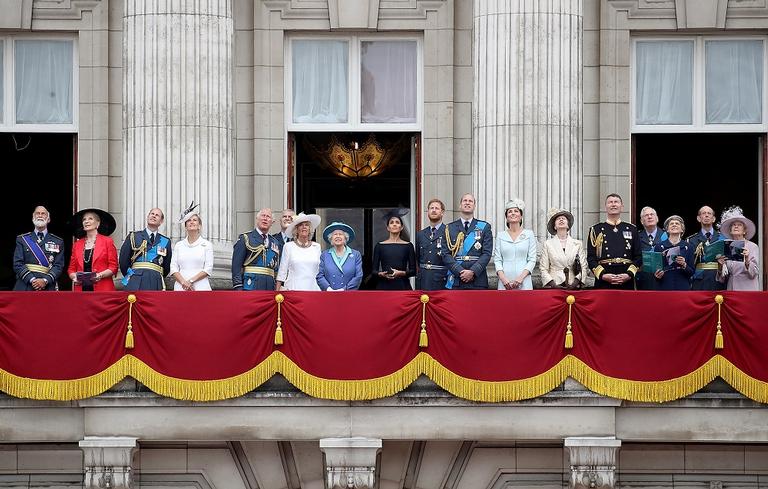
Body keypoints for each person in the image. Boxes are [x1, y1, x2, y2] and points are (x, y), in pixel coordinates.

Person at [587, 193, 642, 290]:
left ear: (622, 206)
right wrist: (602, 275)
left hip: (626, 277)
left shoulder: (632, 229)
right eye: (610, 202)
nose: (613, 204)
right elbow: (591, 258)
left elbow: (638, 257)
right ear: (605, 207)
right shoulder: (596, 230)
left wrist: (629, 274)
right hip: (604, 277)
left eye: (616, 202)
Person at [442, 193, 494, 289]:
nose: (467, 203)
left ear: (474, 206)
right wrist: (460, 271)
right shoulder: (449, 228)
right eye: (465, 201)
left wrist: (473, 271)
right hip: (456, 278)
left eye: (470, 201)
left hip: (478, 279)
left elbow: (487, 253)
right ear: (460, 205)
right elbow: (445, 254)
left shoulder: (484, 227)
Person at [13, 205, 65, 291]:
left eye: (43, 213)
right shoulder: (22, 239)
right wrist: (32, 280)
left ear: (48, 219)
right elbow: (17, 264)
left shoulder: (58, 241)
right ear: (33, 218)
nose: (40, 215)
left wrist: (45, 281)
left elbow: (58, 266)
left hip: (47, 286)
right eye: (37, 213)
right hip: (25, 285)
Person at [119, 208, 172, 291]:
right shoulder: (133, 236)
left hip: (156, 280)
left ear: (161, 221)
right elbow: (123, 260)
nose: (154, 216)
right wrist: (131, 275)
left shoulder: (166, 241)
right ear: (148, 217)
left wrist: (157, 274)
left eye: (157, 215)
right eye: (152, 214)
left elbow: (166, 265)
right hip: (135, 279)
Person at [67, 208, 118, 291]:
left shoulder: (107, 241)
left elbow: (113, 267)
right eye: (84, 219)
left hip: (103, 288)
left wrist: (99, 275)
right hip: (81, 289)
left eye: (90, 218)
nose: (86, 221)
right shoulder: (77, 245)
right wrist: (74, 277)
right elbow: (71, 269)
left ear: (98, 223)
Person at [232, 208, 282, 290]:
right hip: (250, 285)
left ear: (272, 222)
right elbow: (236, 267)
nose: (265, 218)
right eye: (263, 216)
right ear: (257, 219)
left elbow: (276, 270)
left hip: (269, 287)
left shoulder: (275, 242)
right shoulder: (245, 238)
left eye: (268, 217)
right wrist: (238, 287)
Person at [492, 199, 537, 290]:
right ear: (506, 217)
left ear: (521, 216)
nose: (513, 213)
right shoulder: (501, 235)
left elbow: (532, 259)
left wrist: (520, 278)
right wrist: (504, 279)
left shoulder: (529, 234)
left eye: (516, 211)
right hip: (505, 281)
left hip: (524, 280)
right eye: (510, 212)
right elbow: (497, 259)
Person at [539, 208, 588, 289]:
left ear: (568, 225)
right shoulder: (548, 244)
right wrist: (553, 284)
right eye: (558, 219)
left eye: (563, 218)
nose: (561, 219)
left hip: (573, 285)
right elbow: (543, 268)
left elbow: (584, 267)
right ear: (554, 226)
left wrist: (575, 283)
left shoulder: (577, 244)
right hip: (555, 284)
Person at [169, 203, 214, 291]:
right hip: (180, 286)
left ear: (199, 226)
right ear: (185, 226)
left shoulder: (207, 245)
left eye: (195, 220)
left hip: (201, 286)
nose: (192, 222)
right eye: (189, 220)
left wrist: (190, 281)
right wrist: (183, 282)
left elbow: (208, 268)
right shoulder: (179, 245)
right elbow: (173, 267)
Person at [716, 206, 760, 291]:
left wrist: (746, 260)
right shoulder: (727, 246)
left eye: (739, 225)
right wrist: (720, 266)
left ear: (744, 231)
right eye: (733, 225)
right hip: (731, 290)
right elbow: (722, 279)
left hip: (747, 290)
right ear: (730, 230)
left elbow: (754, 273)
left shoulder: (752, 246)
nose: (736, 226)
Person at [372, 208, 416, 290]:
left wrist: (401, 273)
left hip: (403, 286)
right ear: (388, 228)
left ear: (402, 227)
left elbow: (413, 271)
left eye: (397, 222)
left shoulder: (408, 246)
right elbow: (374, 271)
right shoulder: (379, 246)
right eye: (391, 223)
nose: (394, 224)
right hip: (384, 286)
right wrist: (381, 274)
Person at [276, 212, 322, 291]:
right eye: (301, 225)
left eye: (306, 225)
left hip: (313, 289)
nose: (304, 227)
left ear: (310, 229)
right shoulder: (288, 246)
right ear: (296, 229)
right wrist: (277, 293)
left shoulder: (317, 247)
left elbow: (320, 271)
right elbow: (282, 272)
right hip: (293, 289)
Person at [686, 205, 726, 291]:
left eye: (709, 213)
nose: (707, 215)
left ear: (714, 218)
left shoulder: (723, 238)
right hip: (699, 279)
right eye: (704, 213)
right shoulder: (691, 240)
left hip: (717, 278)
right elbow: (689, 263)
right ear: (698, 218)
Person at [316, 221, 363, 291]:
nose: (338, 236)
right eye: (335, 234)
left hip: (348, 294)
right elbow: (320, 276)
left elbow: (358, 276)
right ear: (331, 238)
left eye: (340, 234)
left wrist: (344, 289)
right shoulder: (325, 255)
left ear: (345, 238)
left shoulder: (356, 254)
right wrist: (328, 289)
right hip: (329, 295)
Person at [652, 215, 694, 291]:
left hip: (683, 287)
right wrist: (657, 275)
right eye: (671, 224)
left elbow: (692, 272)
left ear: (682, 229)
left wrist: (684, 265)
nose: (674, 225)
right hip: (665, 286)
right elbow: (655, 270)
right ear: (667, 230)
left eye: (677, 223)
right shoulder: (659, 247)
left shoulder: (689, 247)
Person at [415, 198, 448, 290]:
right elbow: (417, 257)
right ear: (428, 212)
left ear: (442, 212)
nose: (433, 210)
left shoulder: (449, 232)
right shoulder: (420, 234)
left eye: (437, 208)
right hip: (423, 280)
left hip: (441, 280)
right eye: (431, 208)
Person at [636, 206, 666, 290]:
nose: (649, 217)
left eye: (652, 214)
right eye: (646, 215)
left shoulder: (666, 235)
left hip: (663, 279)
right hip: (644, 280)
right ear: (642, 221)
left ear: (657, 218)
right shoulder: (637, 237)